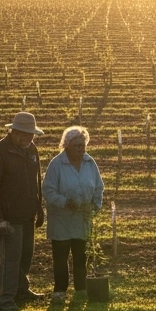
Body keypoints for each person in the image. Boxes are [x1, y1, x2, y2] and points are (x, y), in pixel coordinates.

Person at [0, 111, 46, 311]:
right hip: (9, 218)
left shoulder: (32, 150)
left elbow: (36, 182)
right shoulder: (0, 152)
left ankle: (22, 289)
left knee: (26, 256)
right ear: (12, 131)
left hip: (28, 214)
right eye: (23, 134)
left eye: (31, 135)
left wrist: (39, 208)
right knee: (11, 259)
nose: (28, 138)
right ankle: (6, 299)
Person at [42, 125, 105, 301]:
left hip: (82, 218)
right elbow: (48, 190)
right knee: (61, 257)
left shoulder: (89, 162)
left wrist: (94, 206)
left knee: (80, 257)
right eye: (77, 146)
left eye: (83, 145)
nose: (81, 149)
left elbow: (98, 187)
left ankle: (81, 290)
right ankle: (60, 291)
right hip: (61, 218)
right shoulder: (57, 164)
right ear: (67, 145)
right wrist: (64, 202)